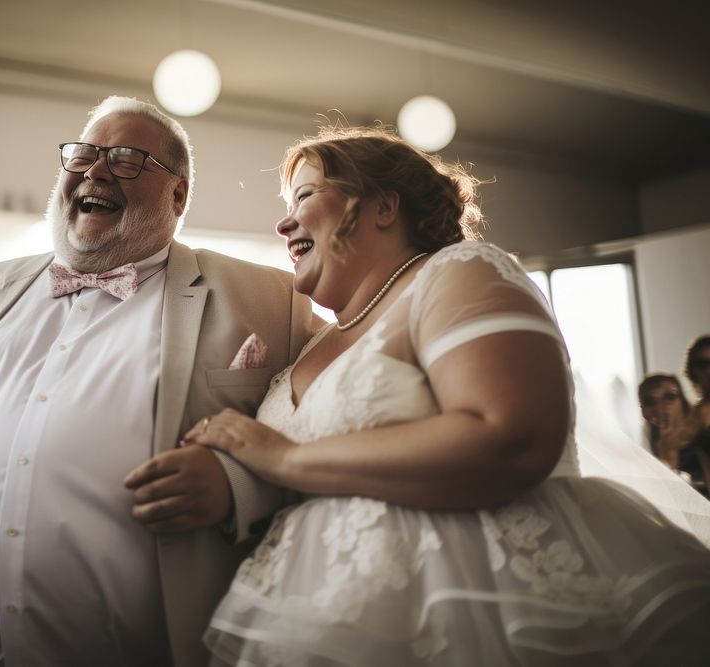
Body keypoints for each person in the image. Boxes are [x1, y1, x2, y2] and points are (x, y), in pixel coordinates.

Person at [185, 125, 710, 666]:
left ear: (383, 206)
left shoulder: (458, 273)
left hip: (485, 599)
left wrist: (285, 457)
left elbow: (511, 436)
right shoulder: (312, 343)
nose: (283, 222)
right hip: (322, 608)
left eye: (305, 196)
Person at [0, 96, 318, 667]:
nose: (96, 170)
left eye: (128, 159)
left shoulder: (270, 301)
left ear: (178, 195)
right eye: (83, 154)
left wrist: (239, 483)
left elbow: (324, 433)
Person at [638, 372, 708, 494]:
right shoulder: (645, 438)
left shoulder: (703, 433)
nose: (660, 407)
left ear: (682, 401)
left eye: (669, 397)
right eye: (650, 401)